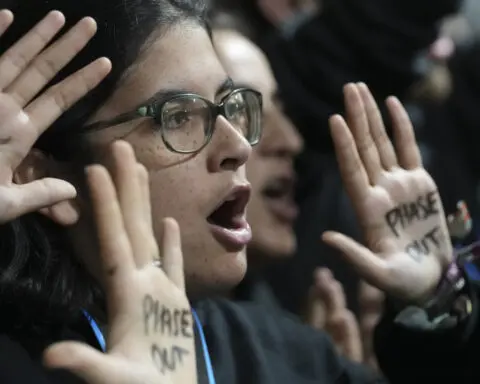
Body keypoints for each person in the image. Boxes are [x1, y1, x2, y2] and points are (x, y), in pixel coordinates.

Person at [1, 2, 480, 384]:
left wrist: (437, 305)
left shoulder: (286, 354)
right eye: (178, 116)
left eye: (232, 107)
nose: (237, 145)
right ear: (47, 177)